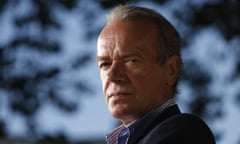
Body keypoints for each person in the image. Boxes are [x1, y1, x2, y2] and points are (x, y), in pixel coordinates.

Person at [96, 5, 216, 144]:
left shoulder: (185, 134)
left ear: (171, 70)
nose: (112, 75)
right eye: (105, 64)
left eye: (131, 60)